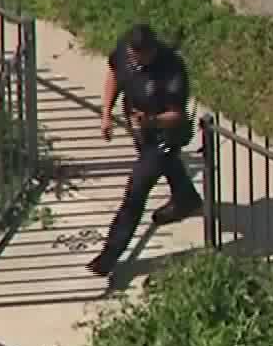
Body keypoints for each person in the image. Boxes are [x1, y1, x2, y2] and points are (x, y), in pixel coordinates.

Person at [86, 22, 201, 277]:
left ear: (151, 51)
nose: (134, 60)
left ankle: (109, 255)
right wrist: (106, 113)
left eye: (140, 57)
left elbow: (178, 115)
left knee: (136, 190)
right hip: (141, 130)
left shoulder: (171, 69)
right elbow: (115, 73)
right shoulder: (125, 54)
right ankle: (186, 200)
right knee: (168, 166)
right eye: (131, 55)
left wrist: (152, 120)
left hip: (165, 135)